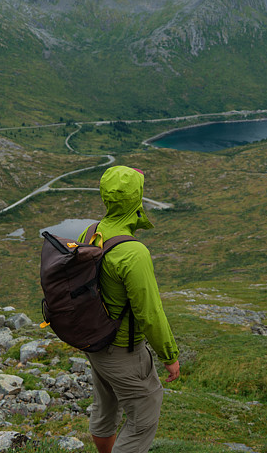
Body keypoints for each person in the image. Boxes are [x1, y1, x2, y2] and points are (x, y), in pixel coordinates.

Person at [79, 165, 180, 453]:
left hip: (95, 343)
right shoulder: (134, 252)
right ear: (137, 199)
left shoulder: (91, 231)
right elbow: (150, 313)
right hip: (123, 350)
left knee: (106, 406)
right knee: (143, 418)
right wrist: (169, 356)